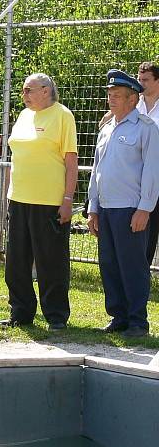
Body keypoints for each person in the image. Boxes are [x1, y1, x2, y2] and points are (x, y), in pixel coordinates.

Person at [1, 73, 78, 332]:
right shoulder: (23, 116)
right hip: (19, 198)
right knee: (16, 260)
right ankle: (20, 311)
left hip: (49, 201)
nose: (23, 95)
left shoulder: (63, 115)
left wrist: (67, 199)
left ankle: (56, 315)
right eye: (23, 90)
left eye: (27, 90)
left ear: (46, 91)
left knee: (51, 260)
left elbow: (71, 163)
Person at [87, 70, 159, 338]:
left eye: (117, 96)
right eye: (109, 95)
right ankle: (118, 316)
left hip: (130, 208)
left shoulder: (146, 128)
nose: (111, 100)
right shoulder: (106, 129)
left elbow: (153, 170)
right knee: (109, 264)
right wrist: (93, 207)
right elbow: (97, 170)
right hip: (105, 207)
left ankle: (138, 321)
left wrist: (145, 208)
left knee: (132, 265)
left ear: (132, 99)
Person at [136, 61, 159, 267]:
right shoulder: (134, 103)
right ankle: (141, 270)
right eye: (139, 79)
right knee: (145, 227)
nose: (141, 83)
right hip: (140, 175)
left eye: (146, 80)